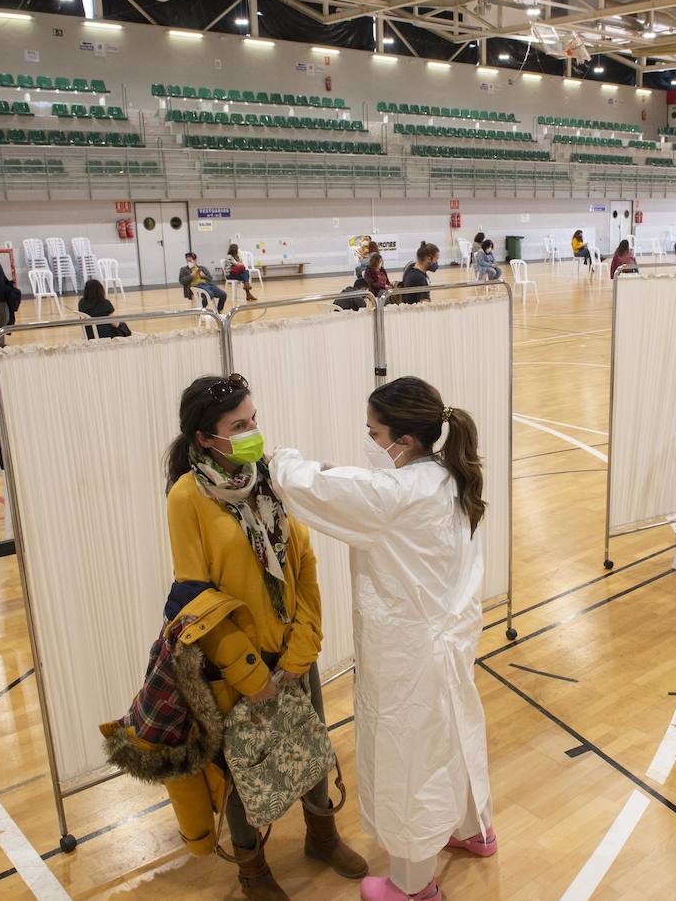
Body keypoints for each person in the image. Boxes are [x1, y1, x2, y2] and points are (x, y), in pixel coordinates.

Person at [269, 377, 496, 901]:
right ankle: (470, 830)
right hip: (450, 640)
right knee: (454, 734)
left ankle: (413, 885)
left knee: (410, 756)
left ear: (405, 440)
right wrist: (327, 471)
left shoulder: (394, 496)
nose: (372, 442)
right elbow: (359, 488)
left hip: (410, 652)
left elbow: (325, 493)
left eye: (374, 434)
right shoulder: (447, 475)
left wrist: (281, 460)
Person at [162, 374, 367, 899]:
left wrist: (302, 651)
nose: (253, 432)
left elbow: (305, 567)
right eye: (239, 425)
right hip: (234, 668)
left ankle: (322, 835)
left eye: (254, 419)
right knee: (243, 770)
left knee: (310, 749)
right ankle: (251, 868)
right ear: (206, 438)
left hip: (294, 654)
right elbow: (195, 599)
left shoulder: (271, 477)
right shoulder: (187, 498)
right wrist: (250, 674)